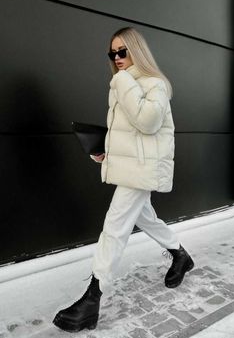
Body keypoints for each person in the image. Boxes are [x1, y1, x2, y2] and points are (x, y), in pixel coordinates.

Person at [53, 27, 194, 333]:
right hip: (134, 167)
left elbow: (148, 121)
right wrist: (107, 152)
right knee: (145, 218)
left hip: (143, 171)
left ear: (136, 51)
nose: (116, 58)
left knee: (115, 226)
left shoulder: (153, 83)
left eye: (122, 51)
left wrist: (122, 80)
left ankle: (93, 299)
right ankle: (180, 255)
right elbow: (132, 136)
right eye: (112, 53)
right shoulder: (126, 83)